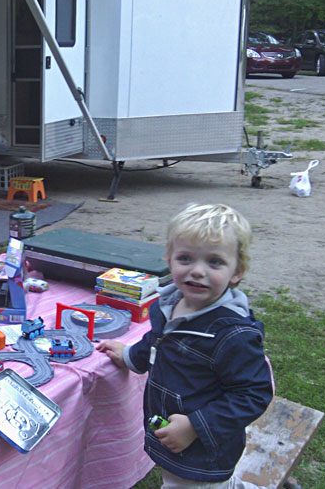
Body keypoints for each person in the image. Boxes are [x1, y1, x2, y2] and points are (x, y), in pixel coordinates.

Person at [97, 203, 273, 488]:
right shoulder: (170, 303)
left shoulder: (232, 334)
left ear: (237, 271)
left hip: (205, 446)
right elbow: (159, 341)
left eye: (214, 262)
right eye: (186, 258)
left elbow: (253, 394)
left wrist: (196, 426)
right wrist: (130, 355)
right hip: (171, 430)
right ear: (169, 260)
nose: (197, 271)